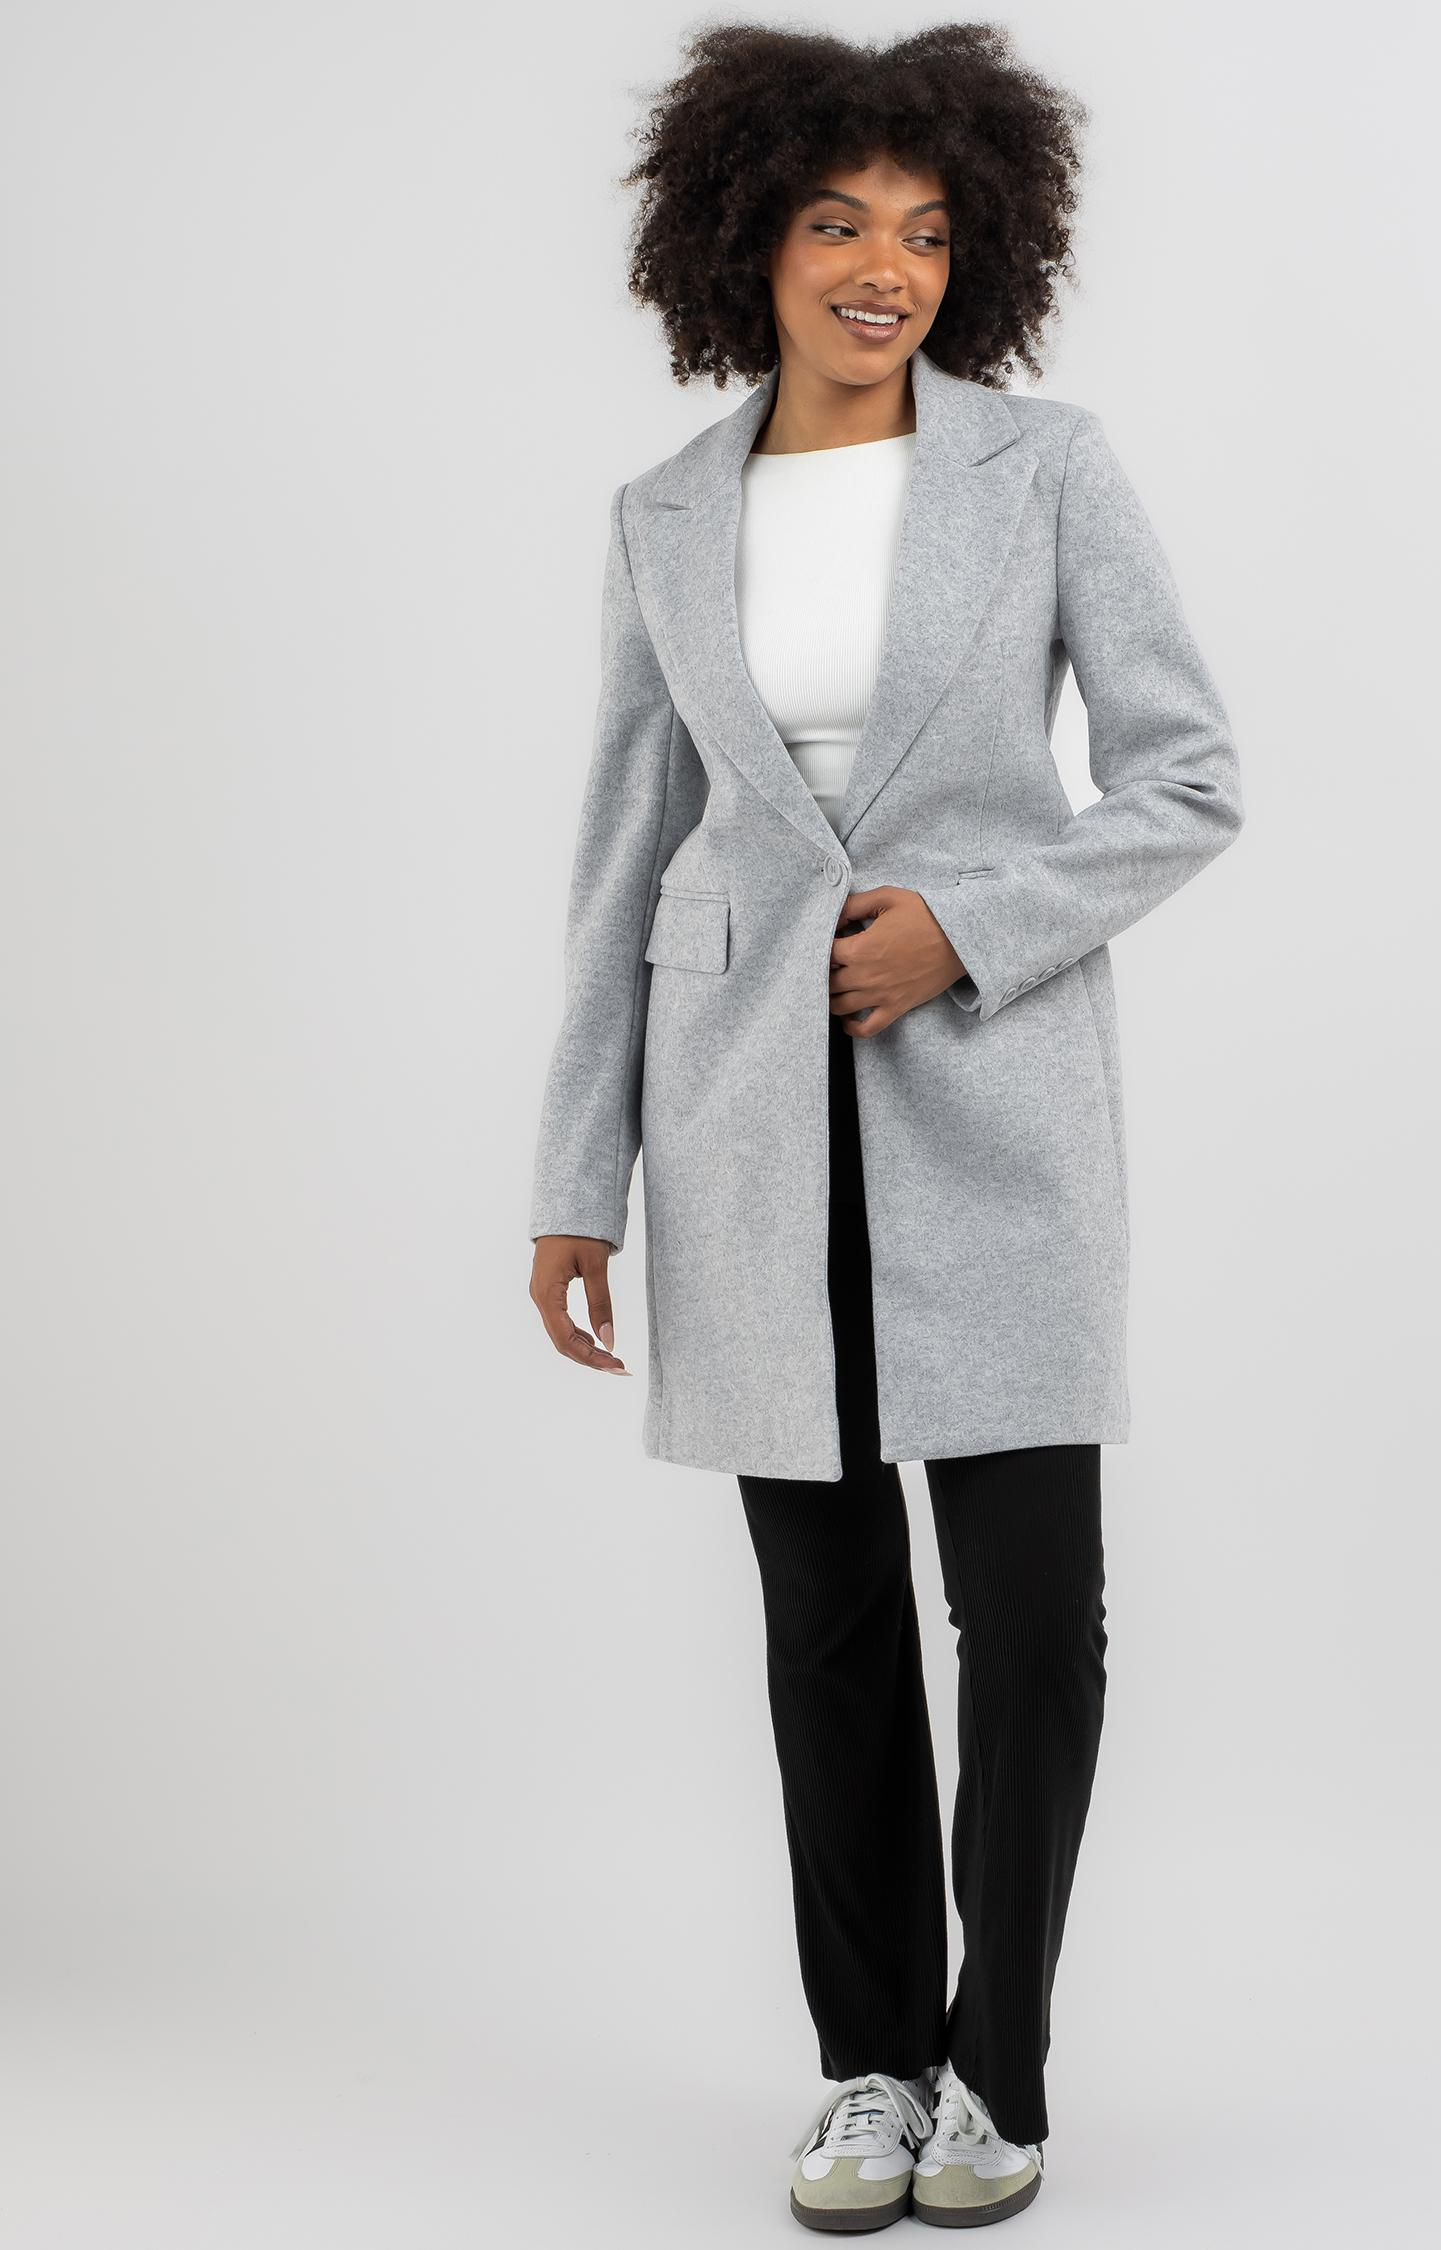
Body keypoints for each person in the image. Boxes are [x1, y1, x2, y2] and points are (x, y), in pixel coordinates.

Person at [528, 22, 1245, 2232]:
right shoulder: (666, 515)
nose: (885, 270)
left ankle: (995, 2068)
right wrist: (573, 1178)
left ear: (977, 253)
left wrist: (969, 927)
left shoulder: (1049, 471)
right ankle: (867, 2064)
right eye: (840, 222)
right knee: (824, 1623)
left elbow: (1188, 777)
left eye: (928, 233)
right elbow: (626, 852)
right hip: (739, 1125)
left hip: (995, 1112)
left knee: (1029, 1621)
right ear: (746, 237)